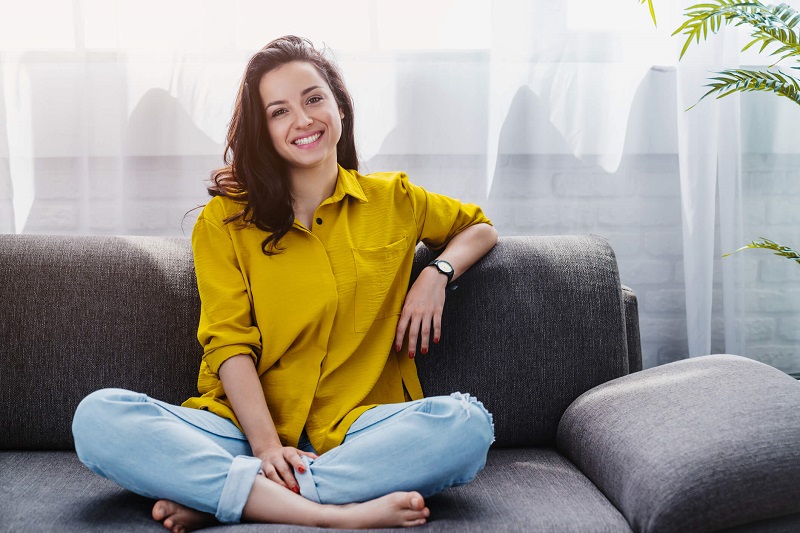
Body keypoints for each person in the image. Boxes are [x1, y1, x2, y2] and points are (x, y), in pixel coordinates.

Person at [72, 35, 498, 532]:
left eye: (313, 98)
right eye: (279, 111)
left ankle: (229, 499)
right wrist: (267, 448)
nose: (303, 120)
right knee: (98, 418)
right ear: (263, 131)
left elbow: (479, 228)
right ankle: (328, 513)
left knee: (466, 425)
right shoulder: (225, 221)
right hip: (238, 431)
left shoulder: (395, 200)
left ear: (339, 105)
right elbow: (227, 344)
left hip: (359, 429)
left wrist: (436, 274)